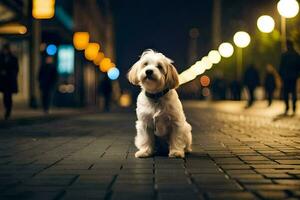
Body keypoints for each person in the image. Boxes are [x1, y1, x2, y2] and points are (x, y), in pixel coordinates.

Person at [279, 40, 300, 115]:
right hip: (293, 77)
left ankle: (287, 107)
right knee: (293, 92)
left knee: (286, 93)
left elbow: (281, 67)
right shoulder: (296, 54)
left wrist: (281, 75)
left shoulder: (285, 55)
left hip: (286, 77)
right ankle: (293, 107)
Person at [0, 44, 19, 120]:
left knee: (9, 96)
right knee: (5, 96)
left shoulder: (13, 58)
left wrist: (9, 73)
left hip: (10, 81)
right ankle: (7, 108)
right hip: (3, 81)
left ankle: (8, 110)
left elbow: (16, 69)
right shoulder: (1, 58)